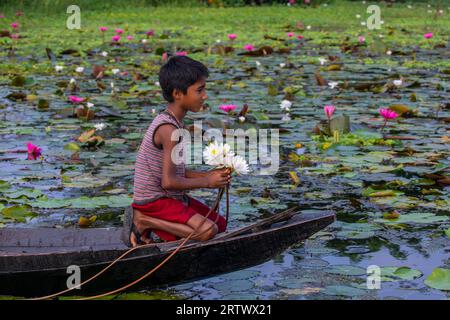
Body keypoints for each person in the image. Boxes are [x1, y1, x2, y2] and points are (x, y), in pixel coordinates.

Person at [123, 55, 231, 247]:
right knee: (207, 230)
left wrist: (212, 175)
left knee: (220, 225)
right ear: (178, 94)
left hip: (169, 197)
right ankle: (143, 221)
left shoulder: (175, 123)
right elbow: (169, 181)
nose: (205, 95)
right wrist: (207, 182)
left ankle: (158, 225)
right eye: (199, 90)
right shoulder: (169, 129)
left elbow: (178, 172)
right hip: (153, 201)